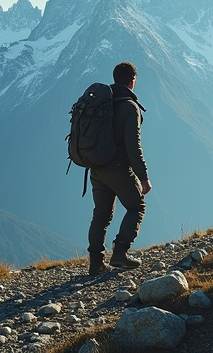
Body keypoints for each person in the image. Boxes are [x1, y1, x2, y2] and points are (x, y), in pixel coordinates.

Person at [87, 61, 152, 275]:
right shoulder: (129, 107)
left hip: (96, 167)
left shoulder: (102, 102)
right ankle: (120, 253)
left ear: (115, 78)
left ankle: (96, 263)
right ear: (133, 81)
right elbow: (134, 146)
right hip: (118, 168)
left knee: (101, 215)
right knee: (136, 207)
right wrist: (143, 177)